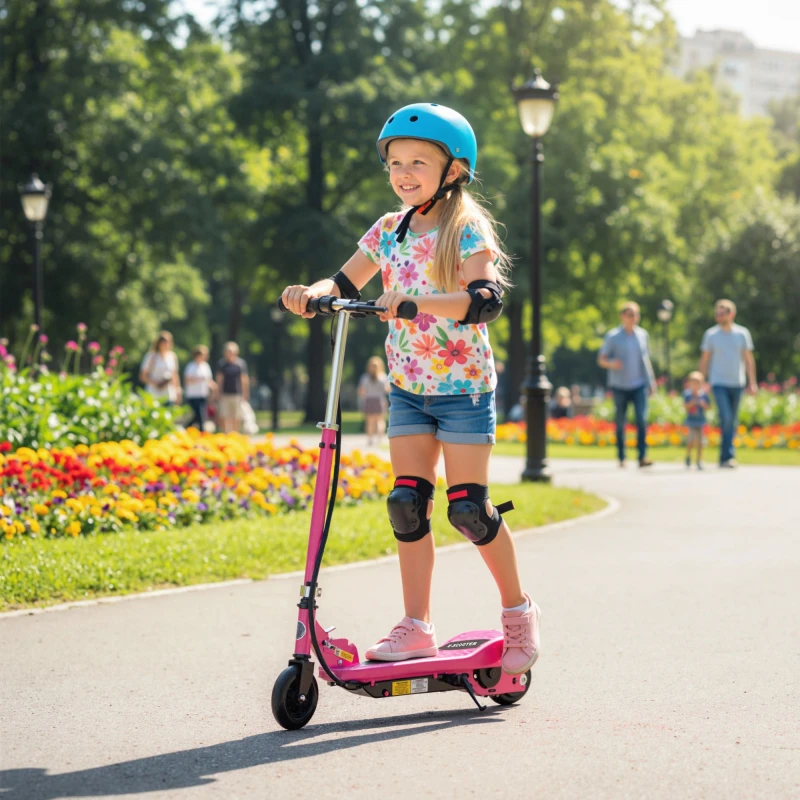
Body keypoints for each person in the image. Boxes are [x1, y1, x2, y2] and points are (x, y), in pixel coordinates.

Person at [281, 103, 540, 677]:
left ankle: (519, 613)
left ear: (453, 170)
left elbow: (485, 299)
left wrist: (417, 303)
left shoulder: (463, 228)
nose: (404, 172)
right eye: (395, 162)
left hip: (464, 389)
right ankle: (417, 624)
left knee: (470, 509)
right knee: (406, 505)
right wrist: (312, 292)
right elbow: (346, 279)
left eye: (418, 162)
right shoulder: (388, 228)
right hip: (409, 388)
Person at [597, 302, 657, 468]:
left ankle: (642, 456)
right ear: (622, 316)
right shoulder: (613, 336)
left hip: (639, 385)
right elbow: (601, 359)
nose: (633, 318)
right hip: (619, 385)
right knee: (621, 421)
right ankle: (622, 457)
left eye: (636, 315)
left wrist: (651, 382)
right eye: (630, 314)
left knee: (641, 419)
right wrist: (611, 363)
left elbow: (645, 360)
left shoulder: (643, 335)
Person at [698, 299, 757, 468]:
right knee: (726, 417)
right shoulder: (711, 335)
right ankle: (727, 456)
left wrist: (752, 382)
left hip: (737, 382)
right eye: (717, 313)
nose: (719, 316)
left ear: (732, 314)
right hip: (718, 382)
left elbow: (748, 359)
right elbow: (705, 360)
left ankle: (726, 456)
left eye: (723, 313)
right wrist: (700, 381)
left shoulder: (742, 334)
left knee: (732, 420)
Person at [215, 342, 250, 434]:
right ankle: (226, 435)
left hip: (237, 394)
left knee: (236, 416)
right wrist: (218, 393)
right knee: (225, 416)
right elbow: (219, 380)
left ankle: (235, 435)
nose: (229, 353)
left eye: (231, 351)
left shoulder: (241, 364)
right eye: (228, 351)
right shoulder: (221, 364)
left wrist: (245, 393)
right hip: (225, 394)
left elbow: (244, 380)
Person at [139, 331, 181, 406]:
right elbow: (143, 376)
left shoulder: (172, 356)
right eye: (163, 342)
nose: (165, 344)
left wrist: (177, 391)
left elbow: (175, 375)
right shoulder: (151, 356)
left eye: (167, 342)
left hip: (168, 393)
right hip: (153, 393)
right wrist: (156, 383)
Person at [359, 356, 390, 446]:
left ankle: (370, 439)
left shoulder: (365, 377)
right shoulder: (383, 377)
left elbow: (361, 391)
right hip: (379, 400)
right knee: (380, 420)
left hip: (369, 400)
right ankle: (379, 438)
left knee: (370, 422)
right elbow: (387, 390)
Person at [183, 345, 215, 431]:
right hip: (193, 395)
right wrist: (199, 380)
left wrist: (213, 387)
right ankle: (202, 432)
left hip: (203, 394)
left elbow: (208, 380)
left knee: (199, 416)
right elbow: (187, 380)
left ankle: (186, 428)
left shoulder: (205, 366)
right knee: (199, 415)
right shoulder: (191, 366)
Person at [683, 371, 710, 469]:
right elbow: (685, 406)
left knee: (700, 441)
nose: (695, 385)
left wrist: (703, 404)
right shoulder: (687, 394)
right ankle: (688, 456)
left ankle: (699, 460)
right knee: (690, 440)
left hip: (700, 421)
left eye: (697, 383)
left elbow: (708, 407)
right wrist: (692, 402)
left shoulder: (703, 395)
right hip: (691, 421)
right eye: (693, 382)